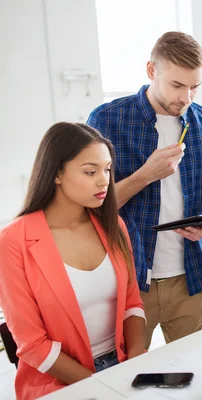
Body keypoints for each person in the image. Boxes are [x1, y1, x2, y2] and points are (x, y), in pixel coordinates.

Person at [87, 32, 202, 348]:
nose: (186, 98)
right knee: (130, 377)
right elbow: (91, 206)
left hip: (191, 278)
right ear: (151, 71)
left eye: (194, 88)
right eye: (177, 86)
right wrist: (146, 175)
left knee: (195, 371)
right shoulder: (108, 120)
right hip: (130, 281)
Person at [0, 123, 145, 400]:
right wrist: (102, 386)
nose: (104, 181)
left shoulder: (113, 225)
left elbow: (132, 304)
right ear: (56, 173)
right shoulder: (13, 241)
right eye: (91, 172)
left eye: (107, 169)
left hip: (124, 366)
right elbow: (32, 345)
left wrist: (136, 362)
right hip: (59, 381)